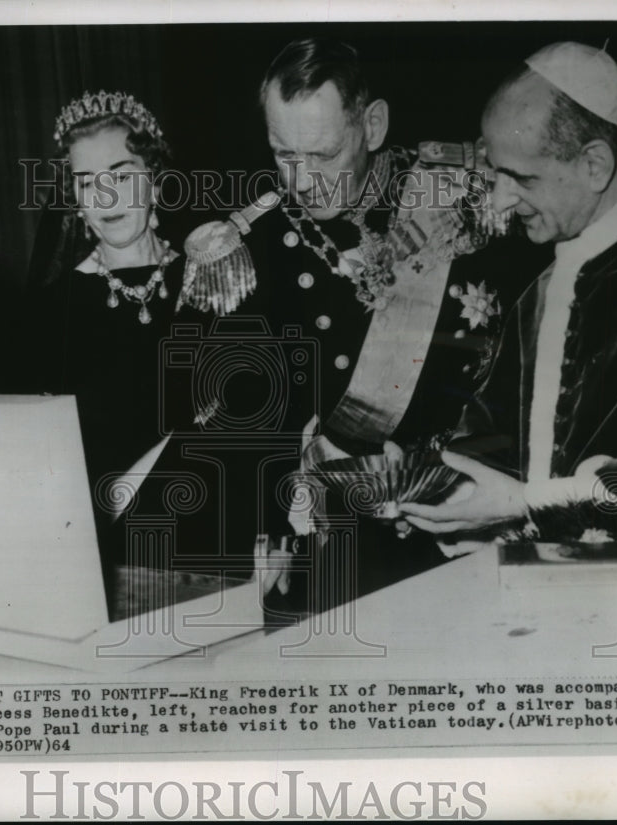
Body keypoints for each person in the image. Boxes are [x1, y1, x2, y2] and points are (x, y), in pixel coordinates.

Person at [168, 37, 549, 609]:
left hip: (467, 530)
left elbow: (538, 357)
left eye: (322, 155)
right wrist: (264, 522)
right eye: (283, 154)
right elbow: (231, 414)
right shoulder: (251, 247)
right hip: (333, 554)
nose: (302, 181)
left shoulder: (466, 201)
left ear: (372, 126)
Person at [399, 42, 617, 555]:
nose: (499, 199)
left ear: (594, 165)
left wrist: (522, 502)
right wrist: (422, 485)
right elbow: (493, 444)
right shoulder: (540, 292)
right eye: (496, 172)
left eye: (520, 177)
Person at [24, 91, 186, 608]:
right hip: (110, 564)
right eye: (88, 182)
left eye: (121, 174)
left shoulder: (214, 279)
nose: (107, 198)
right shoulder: (51, 313)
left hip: (218, 546)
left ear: (155, 177)